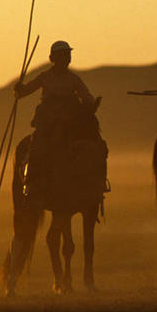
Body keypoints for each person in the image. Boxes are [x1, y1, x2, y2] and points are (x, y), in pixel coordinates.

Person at [14, 40, 96, 203]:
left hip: (70, 121)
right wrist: (19, 89)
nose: (66, 59)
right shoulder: (45, 77)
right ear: (53, 58)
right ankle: (29, 183)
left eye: (67, 55)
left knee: (90, 145)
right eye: (63, 55)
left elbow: (86, 95)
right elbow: (26, 91)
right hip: (47, 121)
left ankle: (94, 183)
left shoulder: (73, 79)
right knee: (37, 146)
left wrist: (91, 103)